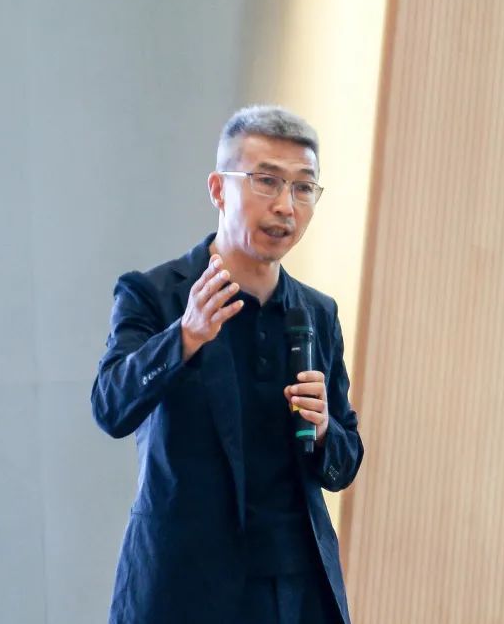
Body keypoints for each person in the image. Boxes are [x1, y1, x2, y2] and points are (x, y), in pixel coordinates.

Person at [91, 105, 364, 624]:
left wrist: (325, 430)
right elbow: (110, 408)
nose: (285, 206)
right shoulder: (157, 295)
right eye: (267, 181)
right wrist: (184, 337)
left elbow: (343, 464)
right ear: (218, 189)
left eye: (304, 187)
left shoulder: (316, 313)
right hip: (183, 587)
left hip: (294, 591)